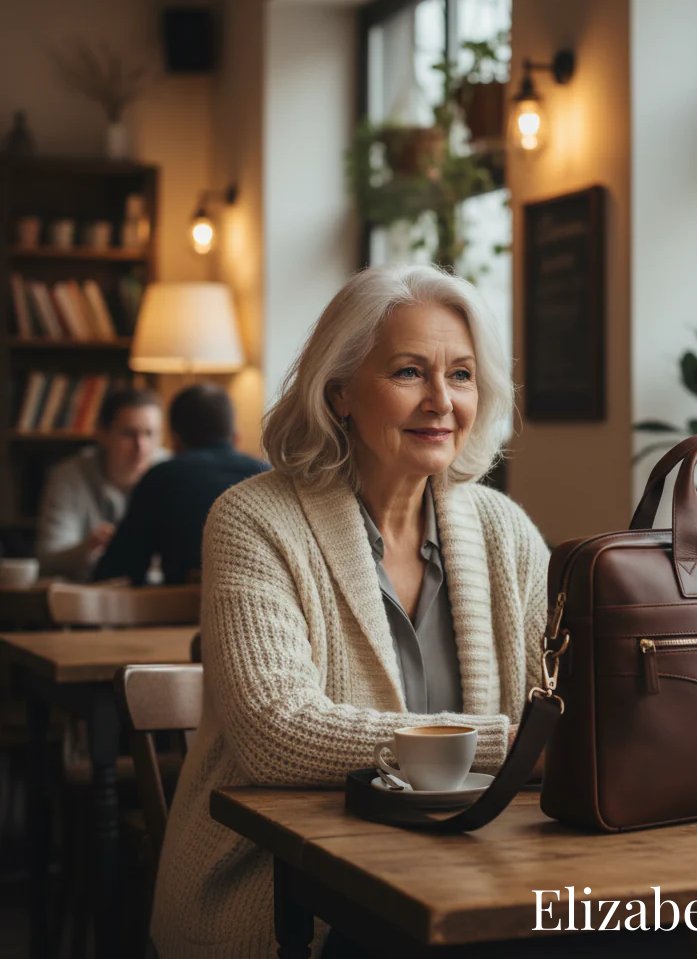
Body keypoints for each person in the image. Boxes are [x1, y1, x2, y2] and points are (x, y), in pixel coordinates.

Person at [149, 265, 549, 959]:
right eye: (408, 373)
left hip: (471, 874)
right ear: (339, 394)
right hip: (285, 891)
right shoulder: (253, 519)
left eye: (460, 375)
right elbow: (276, 733)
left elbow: (565, 708)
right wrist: (501, 747)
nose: (441, 401)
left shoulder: (504, 531)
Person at [94, 383, 268, 586]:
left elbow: (118, 571)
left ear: (175, 440)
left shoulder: (160, 478)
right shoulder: (266, 475)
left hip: (184, 613)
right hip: (268, 610)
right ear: (235, 437)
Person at [36, 386, 165, 581]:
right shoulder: (69, 477)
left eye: (149, 434)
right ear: (103, 434)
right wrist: (86, 548)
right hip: (87, 595)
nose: (141, 447)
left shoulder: (170, 472)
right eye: (129, 434)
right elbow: (48, 558)